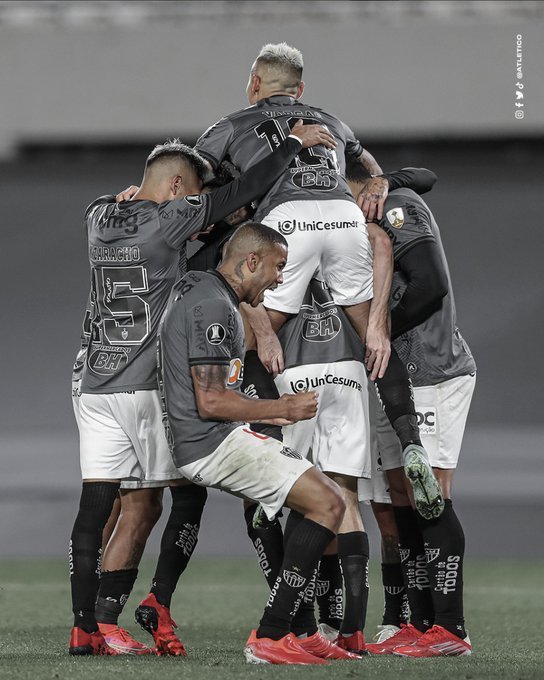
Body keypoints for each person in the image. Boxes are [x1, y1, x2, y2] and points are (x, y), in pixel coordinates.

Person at [68, 123, 333, 656]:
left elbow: (135, 201)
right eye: (193, 195)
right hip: (142, 384)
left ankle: (86, 629)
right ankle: (115, 615)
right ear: (175, 190)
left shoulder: (99, 215)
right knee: (151, 505)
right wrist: (291, 146)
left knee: (97, 504)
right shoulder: (170, 220)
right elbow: (239, 194)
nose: (198, 209)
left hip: (91, 379)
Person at [158, 222, 366, 665]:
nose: (279, 278)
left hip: (214, 438)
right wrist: (283, 410)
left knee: (318, 502)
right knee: (329, 503)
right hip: (210, 443)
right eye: (277, 266)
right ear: (250, 262)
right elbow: (211, 400)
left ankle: (301, 630)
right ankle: (272, 635)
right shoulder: (211, 307)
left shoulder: (208, 292)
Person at [349, 161, 476, 657]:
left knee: (428, 496)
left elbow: (429, 286)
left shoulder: (397, 209)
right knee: (399, 498)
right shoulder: (367, 208)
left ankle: (451, 629)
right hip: (393, 375)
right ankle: (419, 625)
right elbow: (420, 172)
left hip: (432, 372)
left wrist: (378, 331)